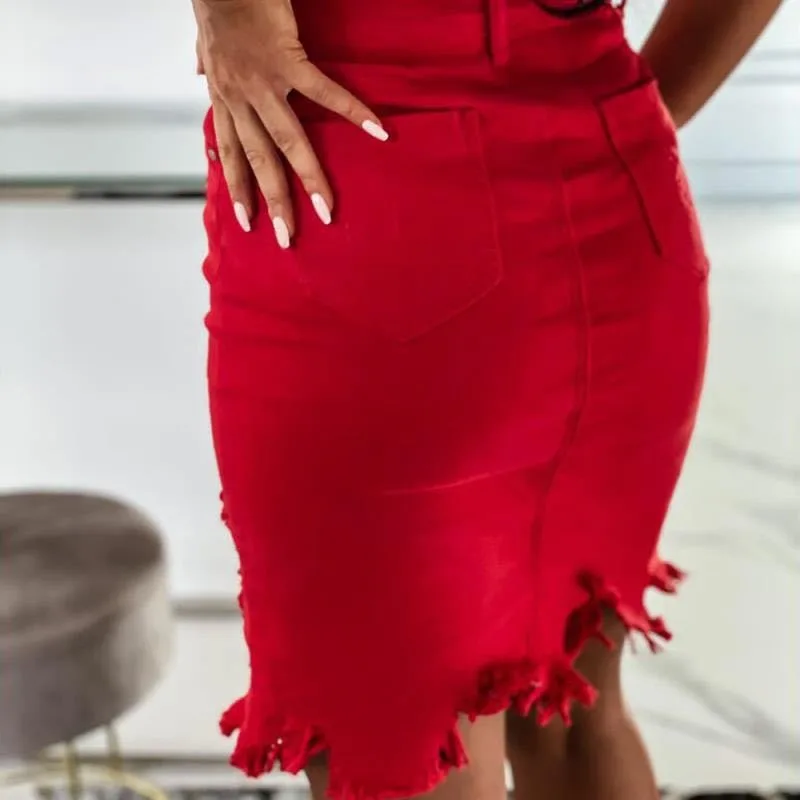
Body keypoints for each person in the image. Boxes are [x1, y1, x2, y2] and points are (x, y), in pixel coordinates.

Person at [191, 1, 784, 798]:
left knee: (410, 753)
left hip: (367, 196)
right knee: (576, 718)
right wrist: (620, 126)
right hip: (619, 194)